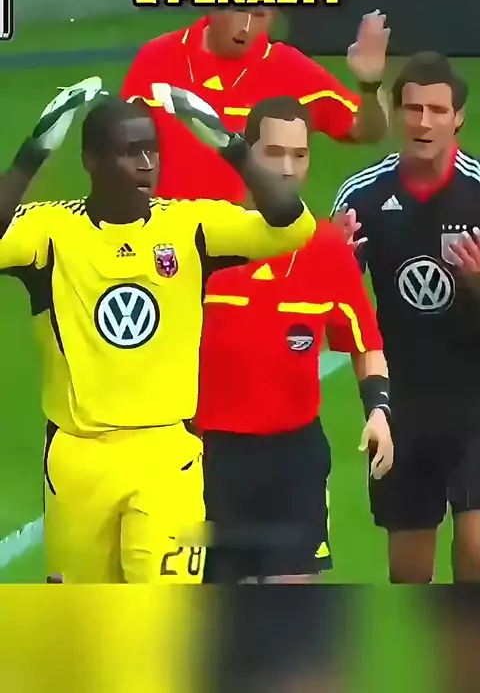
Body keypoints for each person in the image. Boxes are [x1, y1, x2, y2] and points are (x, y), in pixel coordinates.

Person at [0, 80, 316, 584]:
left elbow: (294, 225)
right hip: (78, 460)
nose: (147, 163)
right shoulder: (49, 232)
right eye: (130, 152)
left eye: (152, 149)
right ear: (91, 161)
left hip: (167, 456)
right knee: (87, 621)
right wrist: (32, 154)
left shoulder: (190, 227)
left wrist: (228, 144)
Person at [190, 95, 393, 584]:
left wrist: (379, 412)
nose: (286, 167)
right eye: (274, 153)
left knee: (294, 608)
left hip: (294, 461)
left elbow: (365, 342)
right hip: (211, 459)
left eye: (299, 155)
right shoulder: (203, 238)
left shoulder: (325, 249)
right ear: (246, 154)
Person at [330, 51, 480, 583]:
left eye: (437, 110)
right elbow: (335, 310)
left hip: (473, 399)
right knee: (409, 571)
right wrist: (333, 267)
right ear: (396, 115)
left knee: (477, 547)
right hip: (402, 403)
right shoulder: (362, 196)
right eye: (413, 108)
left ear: (458, 118)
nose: (424, 122)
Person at [121, 0, 390, 201]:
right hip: (170, 232)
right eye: (238, 9)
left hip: (253, 233)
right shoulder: (157, 58)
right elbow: (120, 148)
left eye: (259, 14)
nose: (246, 26)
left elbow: (369, 132)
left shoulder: (292, 69)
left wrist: (370, 83)